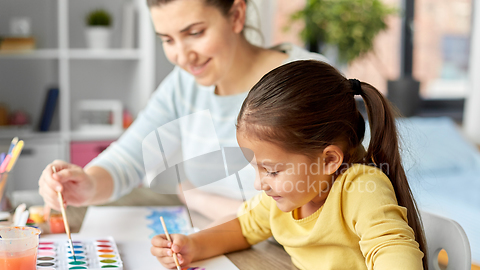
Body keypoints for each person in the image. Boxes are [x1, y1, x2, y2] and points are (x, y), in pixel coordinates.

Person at [150, 60, 428, 270]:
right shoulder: (292, 193)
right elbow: (245, 226)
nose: (260, 184)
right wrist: (194, 245)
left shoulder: (362, 191)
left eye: (272, 170)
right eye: (256, 168)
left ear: (329, 160)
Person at [37, 0, 327, 220]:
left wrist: (199, 199)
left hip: (292, 262)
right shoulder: (184, 84)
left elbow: (338, 202)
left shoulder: (308, 80)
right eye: (167, 39)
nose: (182, 55)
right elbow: (129, 157)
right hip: (214, 243)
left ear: (236, 15)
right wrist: (86, 183)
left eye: (195, 33)